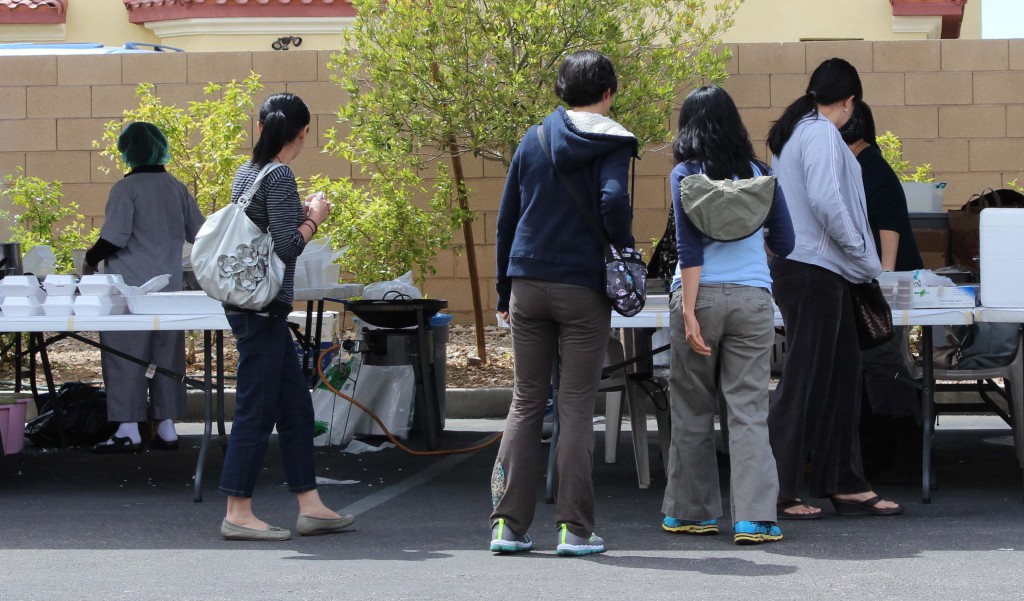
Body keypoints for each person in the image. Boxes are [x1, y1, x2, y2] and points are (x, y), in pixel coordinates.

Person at [491, 50, 638, 557]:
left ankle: (508, 527)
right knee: (575, 405)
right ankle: (574, 530)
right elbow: (615, 201)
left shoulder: (532, 139)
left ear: (559, 91)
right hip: (582, 287)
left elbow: (506, 219)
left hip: (527, 280)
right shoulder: (613, 140)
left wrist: (500, 291)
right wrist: (622, 248)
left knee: (527, 400)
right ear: (608, 93)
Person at [766, 58, 904, 519]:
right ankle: (781, 488)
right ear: (849, 102)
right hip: (815, 271)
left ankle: (844, 481)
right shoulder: (822, 133)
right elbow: (829, 202)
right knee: (807, 379)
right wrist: (864, 258)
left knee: (841, 375)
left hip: (809, 270)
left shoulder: (792, 132)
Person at [660, 85, 794, 545]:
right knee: (748, 409)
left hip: (699, 298)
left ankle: (691, 512)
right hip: (754, 299)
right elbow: (787, 242)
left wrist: (692, 312)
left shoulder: (685, 174)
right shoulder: (760, 174)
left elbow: (689, 247)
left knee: (693, 407)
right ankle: (755, 518)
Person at [218, 93, 351, 541]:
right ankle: (237, 510)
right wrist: (314, 217)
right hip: (262, 310)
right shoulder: (279, 177)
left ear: (259, 127)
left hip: (249, 305)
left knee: (295, 406)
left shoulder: (245, 173)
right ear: (302, 133)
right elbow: (286, 246)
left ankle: (310, 505)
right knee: (256, 408)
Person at [85, 122, 204, 453]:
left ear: (128, 152)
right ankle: (167, 427)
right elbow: (201, 234)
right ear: (161, 147)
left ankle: (128, 429)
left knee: (125, 356)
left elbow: (115, 237)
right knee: (167, 356)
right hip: (169, 292)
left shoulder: (126, 190)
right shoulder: (177, 187)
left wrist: (90, 260)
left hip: (131, 292)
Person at [840, 101, 924, 482]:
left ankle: (899, 456)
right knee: (879, 367)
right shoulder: (862, 164)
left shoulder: (869, 166)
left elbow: (888, 224)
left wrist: (884, 280)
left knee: (884, 366)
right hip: (878, 283)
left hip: (886, 286)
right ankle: (886, 454)